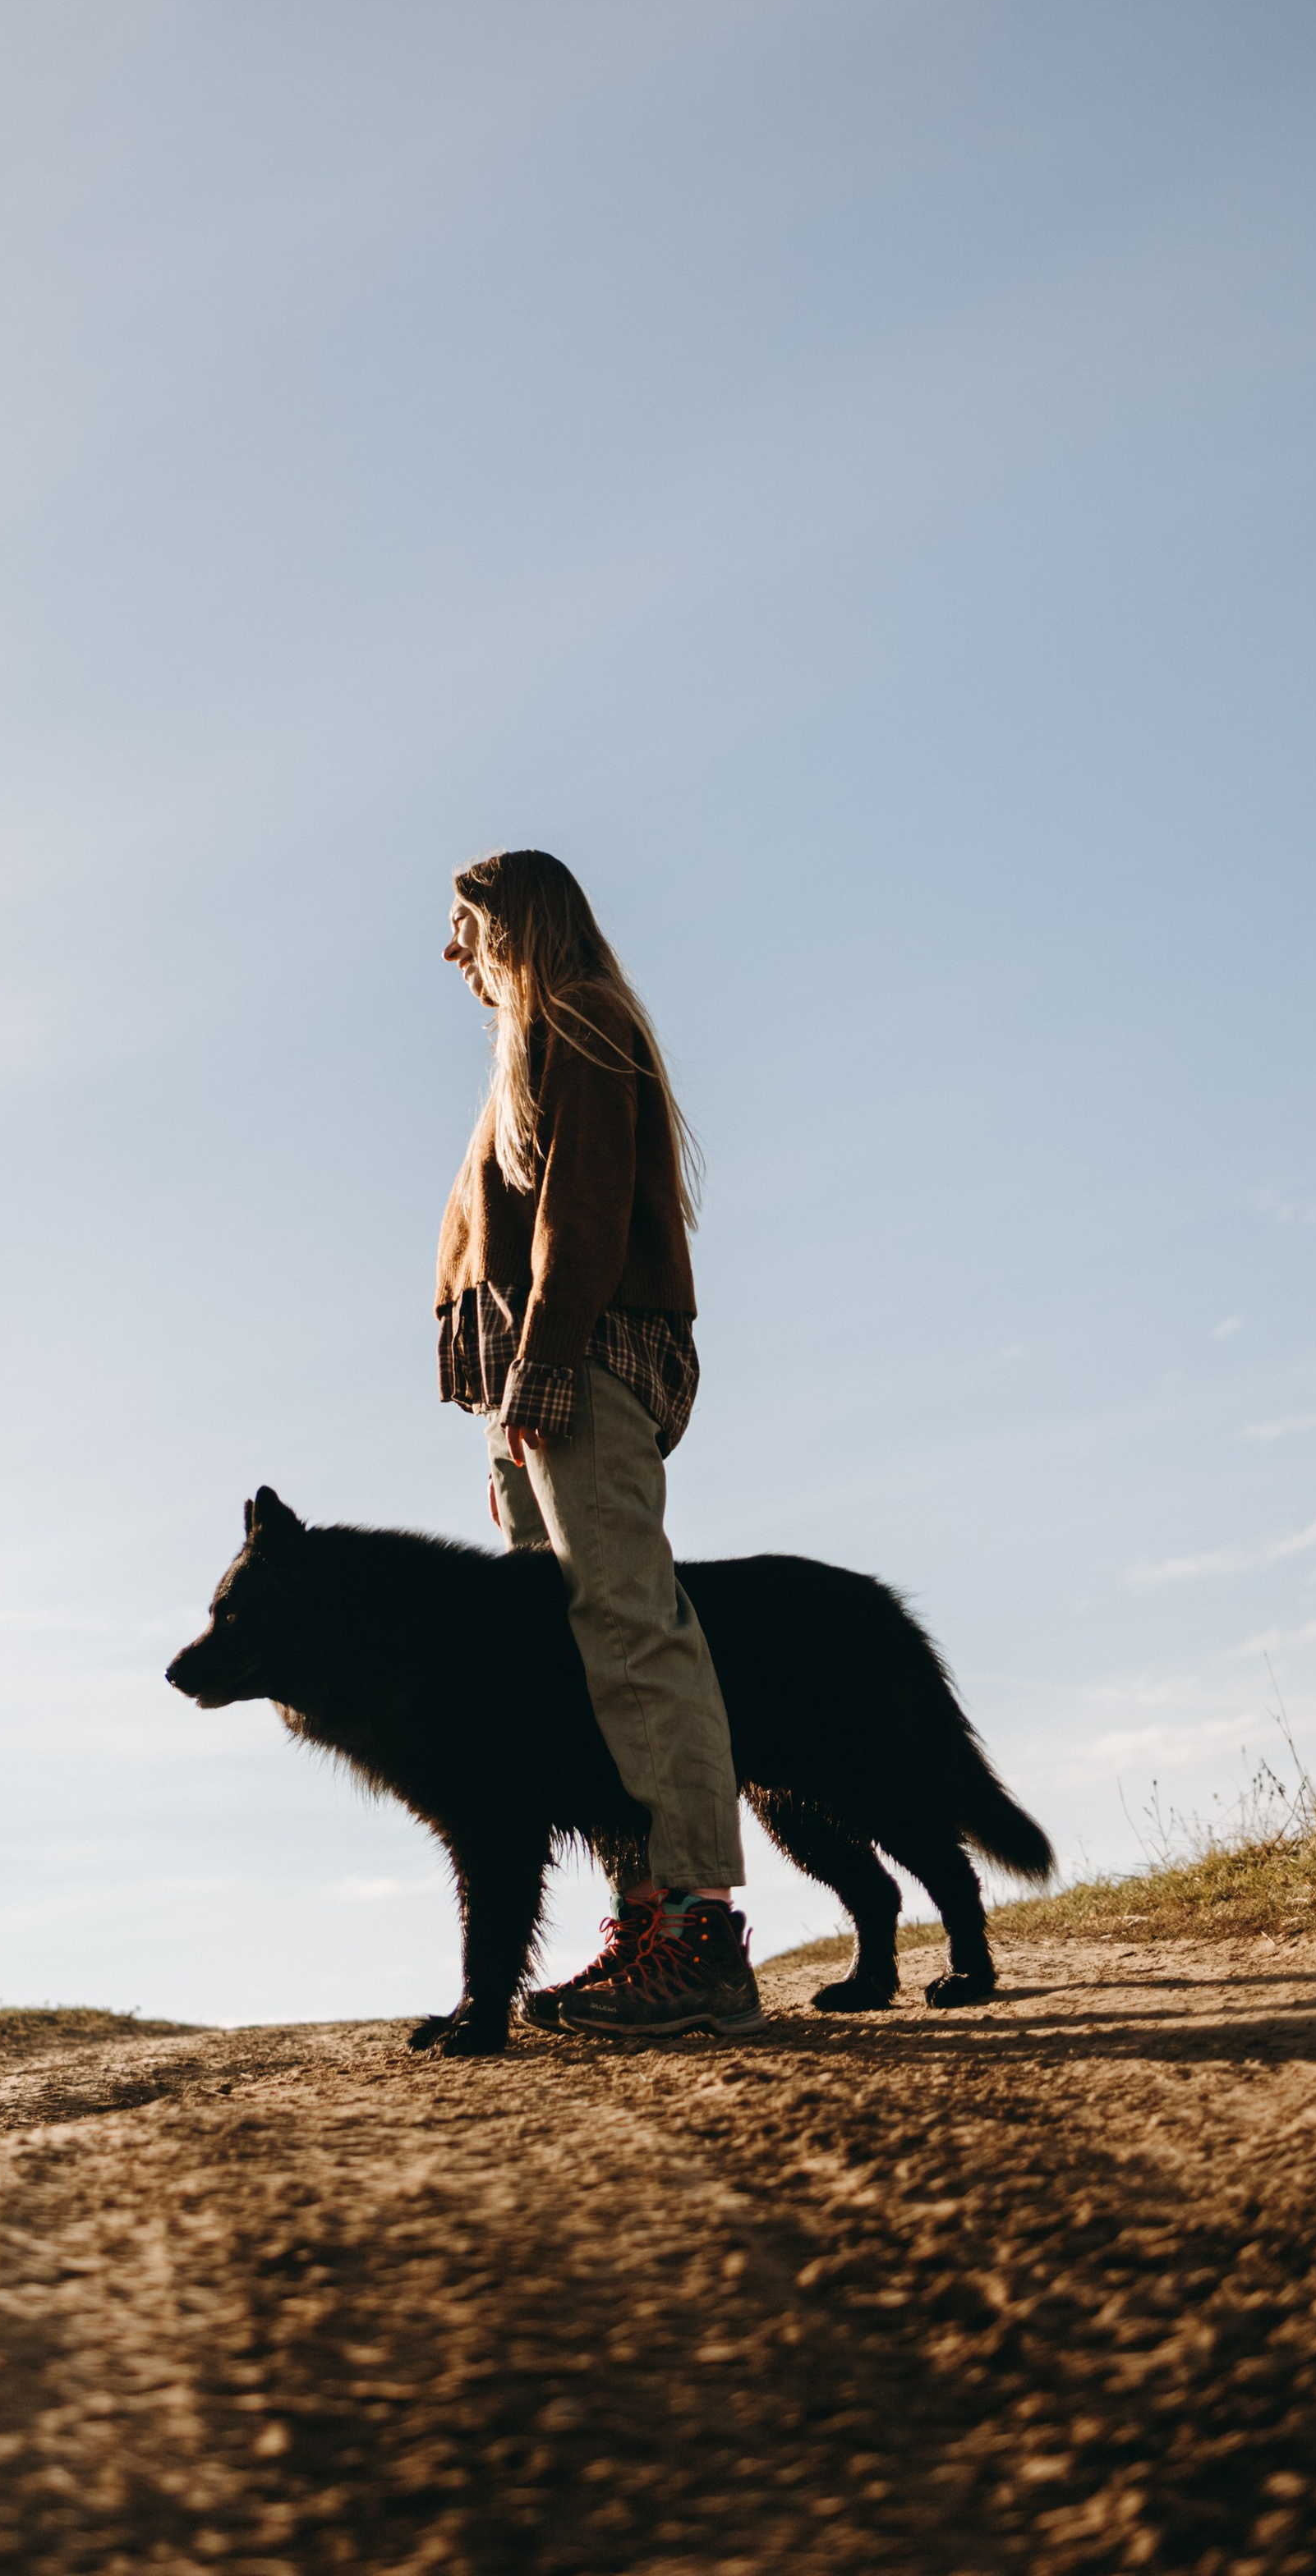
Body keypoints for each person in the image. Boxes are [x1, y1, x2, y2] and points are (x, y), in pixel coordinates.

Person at [437, 848, 761, 2039]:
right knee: (580, 1648)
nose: (450, 953)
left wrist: (539, 1370)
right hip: (542, 1377)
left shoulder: (581, 1017)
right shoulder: (541, 1038)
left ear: (514, 922)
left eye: (463, 925)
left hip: (577, 1362)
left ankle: (699, 1936)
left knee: (628, 1621)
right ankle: (648, 1920)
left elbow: (580, 1208)